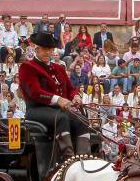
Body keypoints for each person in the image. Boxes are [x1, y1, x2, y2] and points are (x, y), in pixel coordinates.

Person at [18, 28, 90, 159]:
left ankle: (84, 157)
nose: (48, 53)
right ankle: (67, 158)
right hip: (36, 110)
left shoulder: (58, 68)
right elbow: (35, 92)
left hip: (59, 110)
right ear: (37, 49)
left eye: (50, 50)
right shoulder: (27, 67)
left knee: (82, 120)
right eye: (45, 49)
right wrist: (58, 100)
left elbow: (70, 88)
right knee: (61, 117)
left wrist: (75, 96)